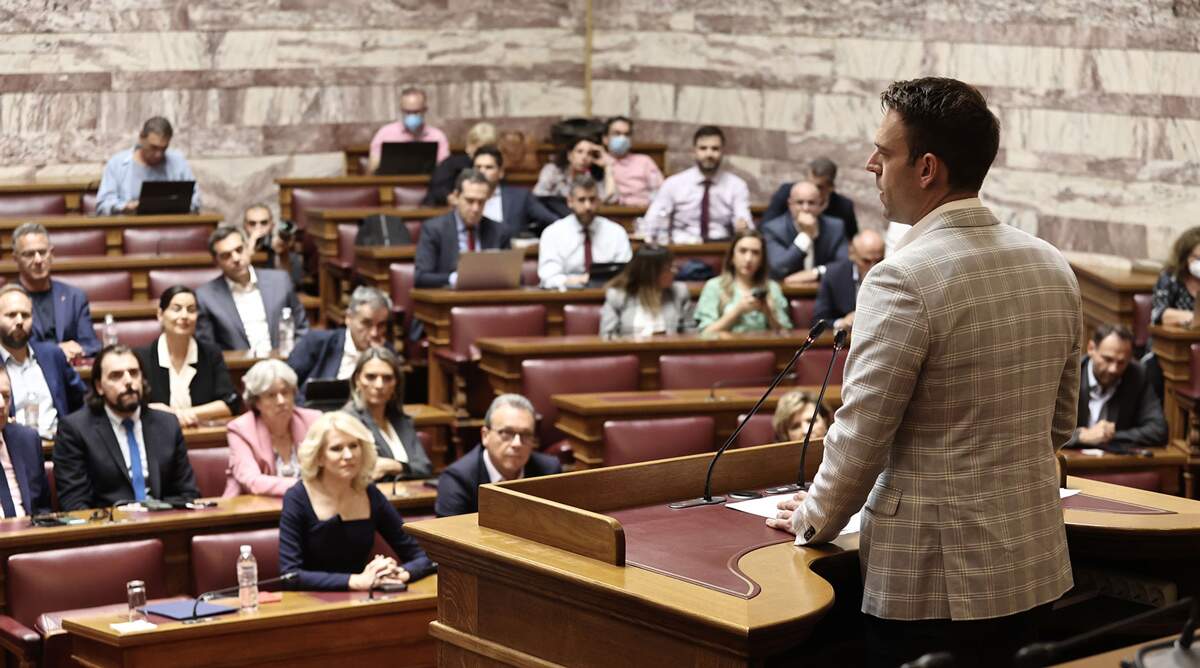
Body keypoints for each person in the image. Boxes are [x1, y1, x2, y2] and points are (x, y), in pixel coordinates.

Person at [766, 77, 1081, 667]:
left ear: (927, 168)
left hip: (933, 579)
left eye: (883, 153)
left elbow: (861, 435)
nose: (870, 165)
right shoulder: (1052, 264)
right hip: (1033, 562)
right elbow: (1060, 423)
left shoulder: (900, 277)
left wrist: (813, 519)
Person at [279, 411, 435, 590]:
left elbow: (424, 556)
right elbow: (290, 575)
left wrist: (400, 573)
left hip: (364, 597)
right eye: (337, 448)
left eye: (353, 446)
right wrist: (356, 581)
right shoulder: (297, 497)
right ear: (319, 457)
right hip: (312, 600)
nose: (348, 455)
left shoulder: (369, 492)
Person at [54, 345, 200, 511]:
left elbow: (187, 493)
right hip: (109, 523)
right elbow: (75, 504)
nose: (129, 381)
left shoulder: (167, 424)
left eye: (134, 373)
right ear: (99, 386)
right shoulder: (75, 430)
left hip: (162, 519)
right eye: (116, 376)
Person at [435, 394, 561, 517]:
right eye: (507, 433)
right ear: (485, 436)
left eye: (526, 434)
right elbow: (449, 530)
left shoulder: (549, 472)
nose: (517, 443)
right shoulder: (457, 480)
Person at [135, 286, 238, 429]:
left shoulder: (211, 354)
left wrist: (180, 414)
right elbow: (136, 406)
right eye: (176, 309)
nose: (184, 316)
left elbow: (230, 402)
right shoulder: (141, 357)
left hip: (201, 434)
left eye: (191, 310)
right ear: (160, 314)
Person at [196, 225, 309, 353]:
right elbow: (208, 350)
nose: (236, 258)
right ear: (216, 262)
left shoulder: (280, 281)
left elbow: (302, 329)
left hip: (282, 360)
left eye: (239, 250)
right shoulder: (206, 297)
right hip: (237, 364)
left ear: (248, 248)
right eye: (226, 255)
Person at [0, 285, 87, 440]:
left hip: (59, 446)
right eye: (11, 315)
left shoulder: (52, 355)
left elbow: (80, 400)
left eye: (25, 315)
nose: (20, 321)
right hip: (12, 449)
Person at [640, 126, 752, 245]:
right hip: (681, 246)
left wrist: (743, 226)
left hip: (721, 246)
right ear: (694, 151)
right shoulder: (673, 184)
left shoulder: (737, 186)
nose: (709, 154)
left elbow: (745, 221)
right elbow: (652, 221)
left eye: (715, 149)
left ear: (722, 151)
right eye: (703, 148)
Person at [224, 359, 320, 497]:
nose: (281, 401)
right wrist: (306, 486)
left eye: (285, 392)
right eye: (271, 395)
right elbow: (252, 481)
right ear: (256, 402)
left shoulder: (313, 421)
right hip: (258, 508)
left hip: (309, 506)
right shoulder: (241, 429)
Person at [10, 222, 102, 361]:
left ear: (51, 253)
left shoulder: (74, 297)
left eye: (42, 252)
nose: (38, 260)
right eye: (29, 254)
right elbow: (9, 348)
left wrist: (78, 350)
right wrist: (56, 350)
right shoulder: (6, 300)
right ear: (16, 259)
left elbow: (91, 344)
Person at [1067, 324, 1166, 449]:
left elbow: (1158, 430)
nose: (1113, 369)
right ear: (1091, 348)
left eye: (1121, 362)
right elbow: (1047, 431)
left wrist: (1110, 436)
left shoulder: (1137, 375)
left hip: (1113, 458)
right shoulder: (1070, 376)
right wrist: (1080, 436)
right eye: (1107, 359)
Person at [341, 347, 433, 480]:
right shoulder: (348, 421)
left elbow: (425, 468)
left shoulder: (401, 420)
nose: (379, 385)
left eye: (387, 378)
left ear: (396, 383)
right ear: (357, 380)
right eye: (371, 377)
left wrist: (394, 466)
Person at [289, 286, 392, 401]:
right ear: (348, 318)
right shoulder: (317, 342)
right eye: (366, 323)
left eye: (381, 325)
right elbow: (287, 385)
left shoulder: (387, 354)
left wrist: (377, 358)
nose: (374, 333)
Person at [413, 170, 513, 288]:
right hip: (449, 297)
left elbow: (515, 276)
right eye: (470, 201)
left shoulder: (499, 231)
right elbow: (420, 277)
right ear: (456, 197)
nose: (475, 208)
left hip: (488, 296)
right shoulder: (434, 230)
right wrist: (454, 278)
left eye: (481, 202)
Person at [538, 175, 632, 289]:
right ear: (570, 201)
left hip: (607, 293)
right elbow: (548, 277)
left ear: (598, 200)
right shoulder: (553, 233)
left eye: (592, 199)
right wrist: (579, 281)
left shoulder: (616, 232)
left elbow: (626, 274)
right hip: (566, 293)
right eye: (581, 200)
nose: (588, 206)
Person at [96, 116, 201, 215]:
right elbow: (102, 205)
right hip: (129, 224)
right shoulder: (117, 164)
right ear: (141, 138)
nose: (158, 154)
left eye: (163, 149)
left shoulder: (178, 162)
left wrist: (177, 206)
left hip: (171, 224)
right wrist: (124, 207)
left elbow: (195, 199)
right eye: (153, 147)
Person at [695, 230, 791, 334]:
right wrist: (738, 310)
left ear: (762, 260)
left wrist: (769, 313)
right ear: (732, 257)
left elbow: (785, 334)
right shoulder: (714, 286)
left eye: (755, 253)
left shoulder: (772, 288)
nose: (748, 259)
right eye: (743, 251)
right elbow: (706, 332)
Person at [761, 181, 849, 285]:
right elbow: (779, 268)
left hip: (824, 288)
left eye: (811, 203)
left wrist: (816, 272)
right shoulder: (773, 229)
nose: (805, 208)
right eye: (800, 202)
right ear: (790, 204)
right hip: (787, 289)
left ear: (820, 204)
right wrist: (806, 235)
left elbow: (844, 265)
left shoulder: (835, 227)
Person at [600, 245, 693, 337]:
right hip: (629, 346)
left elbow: (691, 333)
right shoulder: (617, 296)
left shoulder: (679, 293)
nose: (675, 271)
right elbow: (607, 336)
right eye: (668, 268)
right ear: (651, 273)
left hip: (670, 347)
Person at [0, 365, 53, 517]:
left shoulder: (26, 440)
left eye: (6, 396)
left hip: (29, 528)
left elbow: (43, 507)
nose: (1, 404)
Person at [472, 144, 557, 238]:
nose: (482, 172)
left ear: (501, 172)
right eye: (478, 167)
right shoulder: (463, 198)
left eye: (488, 167)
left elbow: (553, 222)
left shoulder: (521, 197)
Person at [762, 157, 859, 239]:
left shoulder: (844, 207)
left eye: (819, 187)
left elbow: (852, 240)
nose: (812, 189)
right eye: (809, 183)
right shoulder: (788, 192)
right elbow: (765, 227)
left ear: (831, 187)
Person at [812, 230, 886, 331]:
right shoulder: (833, 275)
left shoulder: (891, 276)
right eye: (866, 261)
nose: (873, 268)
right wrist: (841, 323)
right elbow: (818, 321)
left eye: (878, 261)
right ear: (852, 254)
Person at [368, 87, 450, 173]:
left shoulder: (437, 136)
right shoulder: (385, 133)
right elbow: (372, 168)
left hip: (427, 181)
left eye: (416, 112)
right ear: (401, 110)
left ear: (425, 110)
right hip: (392, 181)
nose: (412, 116)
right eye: (407, 112)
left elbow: (445, 168)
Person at [423, 121, 497, 206]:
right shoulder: (453, 164)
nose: (484, 154)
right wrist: (449, 197)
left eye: (488, 150)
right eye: (480, 149)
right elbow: (437, 188)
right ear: (469, 146)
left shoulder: (497, 166)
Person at [532, 135, 616, 203]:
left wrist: (607, 166)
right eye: (580, 151)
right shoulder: (553, 170)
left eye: (589, 153)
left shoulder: (592, 177)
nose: (584, 157)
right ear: (569, 155)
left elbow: (610, 198)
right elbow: (538, 194)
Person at [602, 116, 664, 207]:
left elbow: (660, 191)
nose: (622, 138)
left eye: (626, 134)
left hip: (644, 210)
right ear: (605, 139)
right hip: (613, 210)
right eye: (617, 134)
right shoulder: (600, 161)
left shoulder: (644, 161)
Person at [242, 203, 303, 287]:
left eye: (264, 223)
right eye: (252, 223)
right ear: (245, 226)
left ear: (272, 225)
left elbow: (290, 285)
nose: (258, 228)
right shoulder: (236, 253)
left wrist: (283, 255)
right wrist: (249, 252)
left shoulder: (285, 251)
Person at [1152, 226, 1200, 328]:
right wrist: (1193, 318)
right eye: (1198, 258)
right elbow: (1159, 314)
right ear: (1185, 257)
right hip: (1172, 336)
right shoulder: (1171, 278)